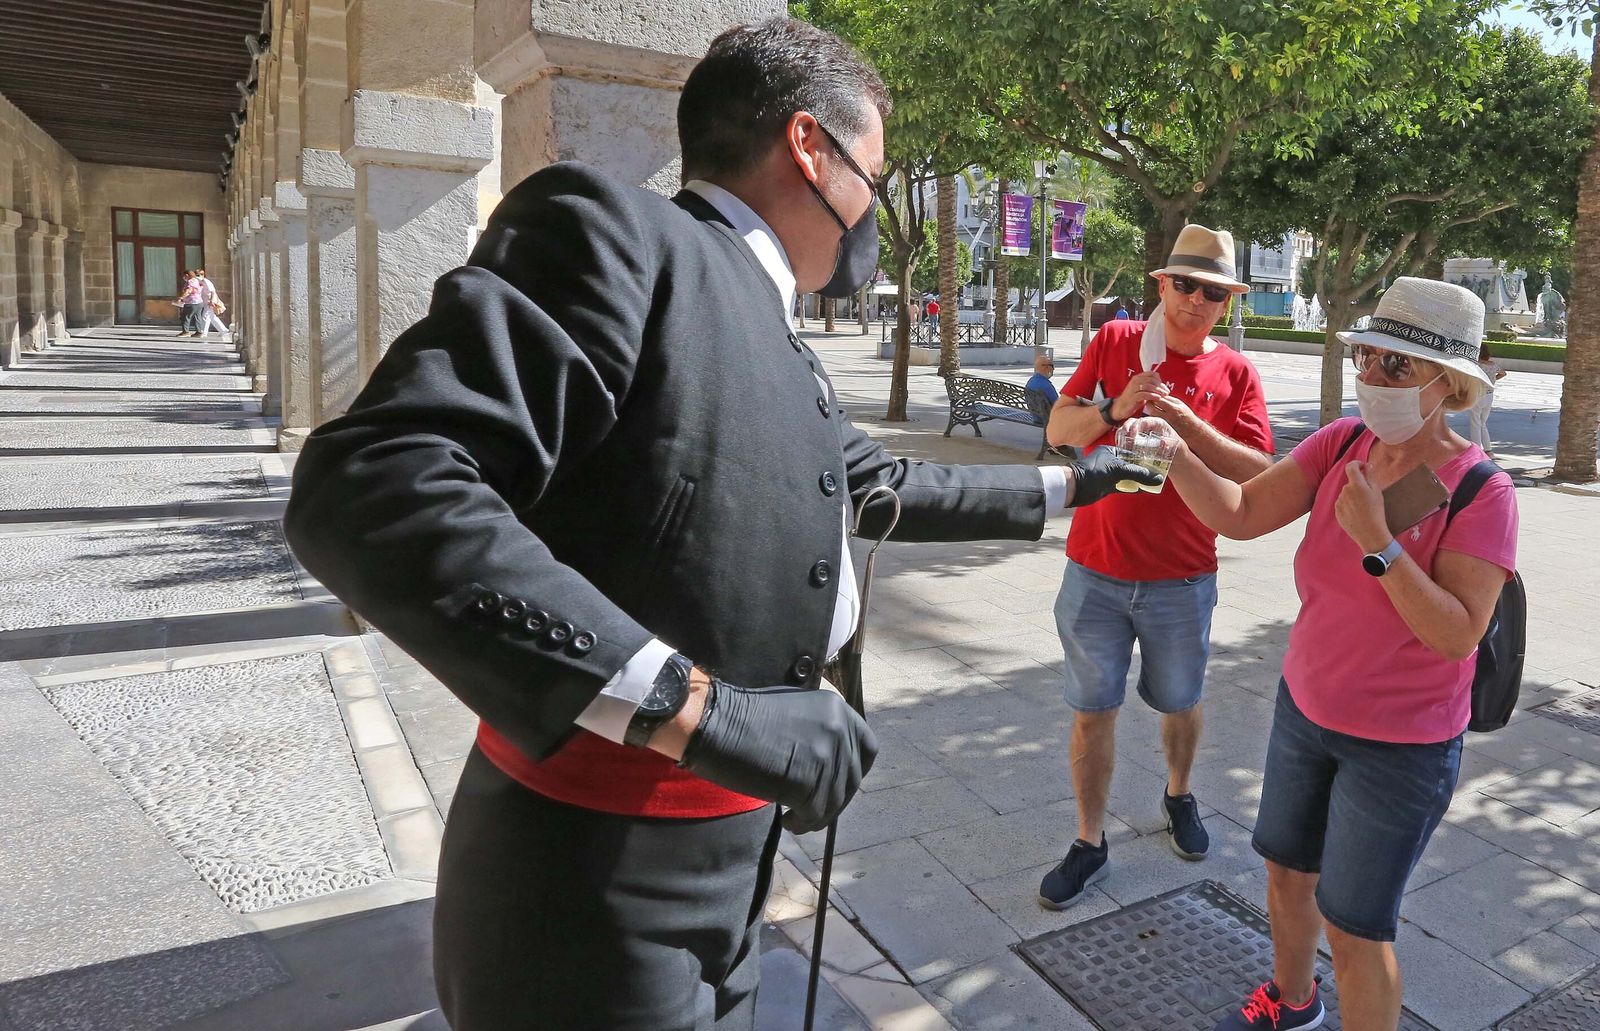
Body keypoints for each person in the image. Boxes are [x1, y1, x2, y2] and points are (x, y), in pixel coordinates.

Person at [283, 17, 1156, 1030]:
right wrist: (702, 711)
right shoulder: (615, 236)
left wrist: (1083, 485)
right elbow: (375, 482)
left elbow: (875, 486)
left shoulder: (775, 325)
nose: (871, 214)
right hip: (588, 884)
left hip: (734, 868)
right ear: (808, 150)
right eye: (871, 177)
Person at [1161, 277, 1516, 1031]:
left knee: (1356, 929)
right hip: (1305, 711)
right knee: (1287, 876)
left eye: (1397, 367)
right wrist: (1171, 451)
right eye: (1368, 356)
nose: (1373, 377)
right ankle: (1293, 1006)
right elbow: (1243, 511)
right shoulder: (1343, 444)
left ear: (1448, 385)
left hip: (1402, 748)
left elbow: (1456, 633)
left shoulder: (1480, 490)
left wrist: (1380, 544)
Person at [1038, 224, 1274, 910]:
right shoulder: (1116, 344)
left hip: (1183, 579)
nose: (1194, 300)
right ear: (1162, 284)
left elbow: (1260, 471)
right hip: (1095, 571)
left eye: (1212, 291)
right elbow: (1058, 429)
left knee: (1180, 700)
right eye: (1184, 284)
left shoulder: (1235, 374)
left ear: (1226, 302)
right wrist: (1115, 408)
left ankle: (1178, 792)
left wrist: (1183, 422)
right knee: (1092, 711)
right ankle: (1089, 841)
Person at [1466, 341, 1506, 456]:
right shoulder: (1493, 365)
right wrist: (1493, 380)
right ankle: (1488, 449)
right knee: (1483, 423)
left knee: (1475, 422)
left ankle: (1477, 449)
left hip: (1478, 394)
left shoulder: (1476, 364)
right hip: (1490, 395)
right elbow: (1503, 373)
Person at [175, 270, 204, 337]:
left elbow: (188, 291)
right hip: (199, 302)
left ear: (187, 275)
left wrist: (181, 298)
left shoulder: (190, 282)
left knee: (185, 316)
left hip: (191, 302)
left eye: (184, 276)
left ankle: (185, 332)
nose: (183, 277)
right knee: (198, 317)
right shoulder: (197, 281)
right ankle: (199, 332)